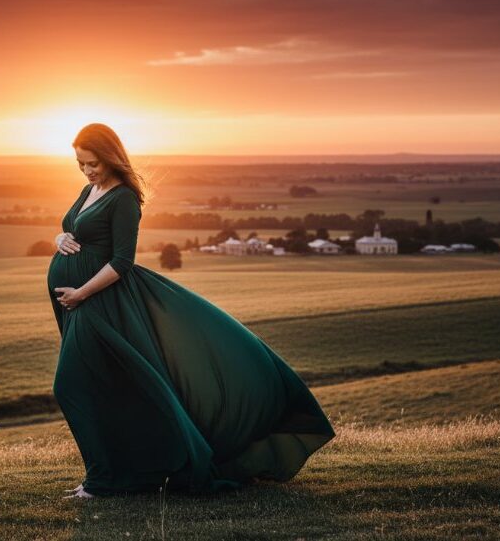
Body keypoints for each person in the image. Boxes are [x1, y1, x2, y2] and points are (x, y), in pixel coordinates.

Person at [47, 123, 335, 500]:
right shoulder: (90, 189)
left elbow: (122, 261)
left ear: (111, 157)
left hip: (101, 305)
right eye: (81, 164)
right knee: (108, 390)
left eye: (93, 164)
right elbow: (74, 228)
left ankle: (103, 481)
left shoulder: (124, 199)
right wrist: (61, 236)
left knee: (71, 386)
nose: (86, 171)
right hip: (79, 304)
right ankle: (107, 478)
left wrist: (82, 293)